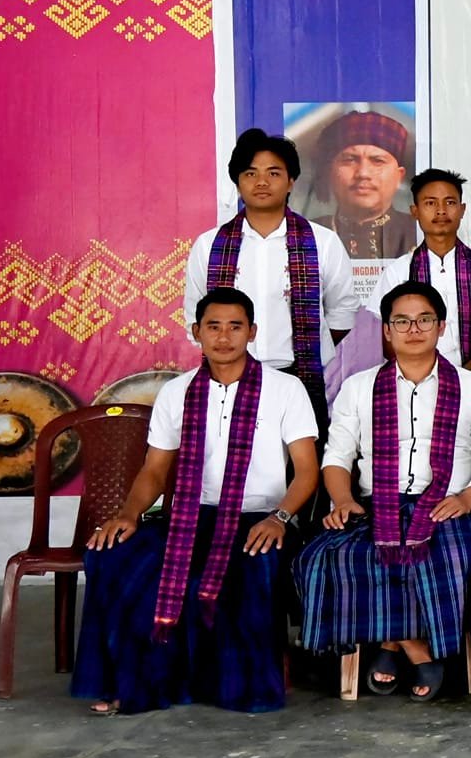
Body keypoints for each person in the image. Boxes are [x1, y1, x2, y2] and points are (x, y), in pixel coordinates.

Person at [72, 288, 320, 715]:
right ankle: (132, 683)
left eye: (235, 327)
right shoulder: (178, 392)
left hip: (258, 517)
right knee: (112, 556)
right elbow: (154, 469)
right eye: (214, 327)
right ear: (196, 333)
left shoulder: (285, 389)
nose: (224, 337)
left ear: (253, 332)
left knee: (252, 567)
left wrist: (281, 518)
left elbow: (307, 470)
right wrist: (129, 514)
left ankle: (236, 687)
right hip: (189, 515)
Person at [294, 281, 471, 702]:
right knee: (322, 557)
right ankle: (416, 647)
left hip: (447, 506)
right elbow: (337, 456)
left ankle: (389, 645)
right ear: (387, 331)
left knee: (445, 557)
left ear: (441, 326)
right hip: (376, 505)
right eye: (402, 321)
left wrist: (468, 497)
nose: (414, 329)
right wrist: (343, 500)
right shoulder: (359, 387)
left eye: (424, 319)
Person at [185, 127, 358, 421]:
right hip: (227, 378)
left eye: (274, 173)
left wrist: (306, 349)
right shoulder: (209, 245)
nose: (262, 182)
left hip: (300, 379)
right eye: (250, 173)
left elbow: (342, 313)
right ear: (238, 183)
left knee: (300, 465)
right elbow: (196, 317)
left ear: (291, 182)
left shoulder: (322, 242)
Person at [404, 168, 471, 378]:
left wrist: (463, 379)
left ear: (462, 209)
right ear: (415, 211)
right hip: (417, 384)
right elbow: (390, 339)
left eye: (450, 202)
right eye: (430, 203)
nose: (441, 211)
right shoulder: (399, 270)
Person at [313, 109, 418, 260]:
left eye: (377, 161)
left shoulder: (419, 232)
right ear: (330, 172)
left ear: (399, 176)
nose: (363, 173)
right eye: (350, 159)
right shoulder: (308, 233)